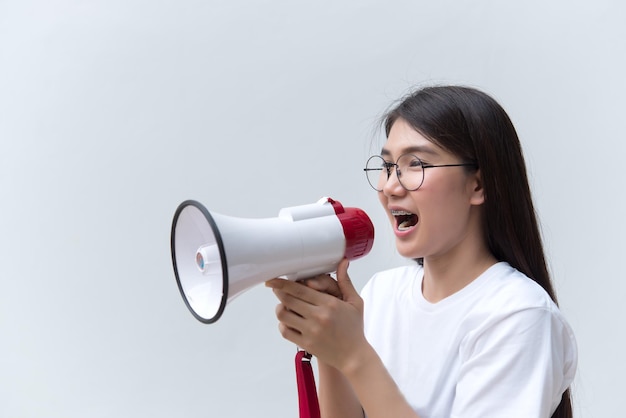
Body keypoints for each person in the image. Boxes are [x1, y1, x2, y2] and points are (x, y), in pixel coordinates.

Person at [265, 85, 577, 418]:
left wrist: (354, 355)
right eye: (387, 167)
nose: (389, 186)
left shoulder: (518, 315)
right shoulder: (381, 296)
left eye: (415, 164)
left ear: (478, 185)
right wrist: (329, 349)